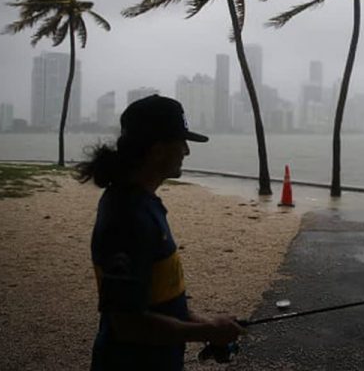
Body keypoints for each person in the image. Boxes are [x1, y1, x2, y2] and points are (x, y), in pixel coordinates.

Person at [77, 94, 243, 370]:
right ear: (157, 150)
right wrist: (205, 332)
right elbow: (128, 324)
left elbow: (160, 301)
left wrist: (207, 323)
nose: (187, 151)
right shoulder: (127, 217)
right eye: (182, 143)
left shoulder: (143, 204)